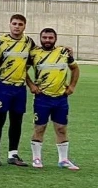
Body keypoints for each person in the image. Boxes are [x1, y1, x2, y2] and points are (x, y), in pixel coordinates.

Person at [26, 28, 80, 170]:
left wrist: (72, 86)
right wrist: (31, 85)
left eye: (50, 38)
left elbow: (75, 69)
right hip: (42, 98)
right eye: (44, 37)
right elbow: (23, 70)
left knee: (61, 128)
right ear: (40, 38)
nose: (47, 40)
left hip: (61, 98)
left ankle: (63, 160)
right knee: (40, 128)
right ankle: (36, 158)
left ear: (55, 39)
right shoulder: (34, 53)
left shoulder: (63, 52)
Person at [0, 14, 35, 166]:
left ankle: (13, 155)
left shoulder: (29, 42)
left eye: (20, 24)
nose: (17, 26)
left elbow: (30, 62)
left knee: (16, 121)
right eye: (14, 23)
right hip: (3, 86)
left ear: (25, 26)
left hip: (20, 88)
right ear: (9, 25)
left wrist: (29, 83)